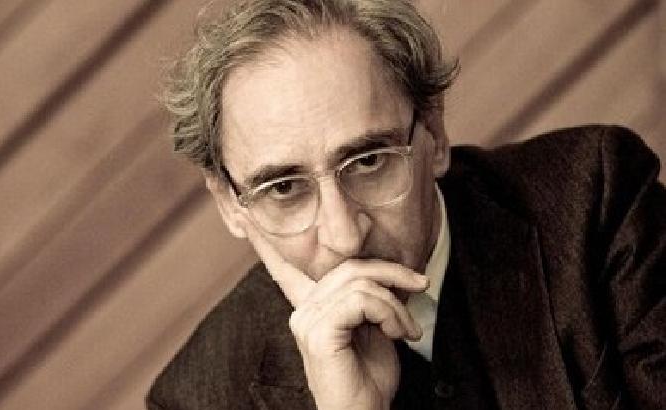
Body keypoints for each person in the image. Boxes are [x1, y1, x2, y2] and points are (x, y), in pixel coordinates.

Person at [146, 0, 666, 409]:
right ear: (231, 205)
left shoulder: (596, 200)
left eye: (369, 161)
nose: (344, 236)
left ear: (434, 135)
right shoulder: (199, 398)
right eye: (284, 188)